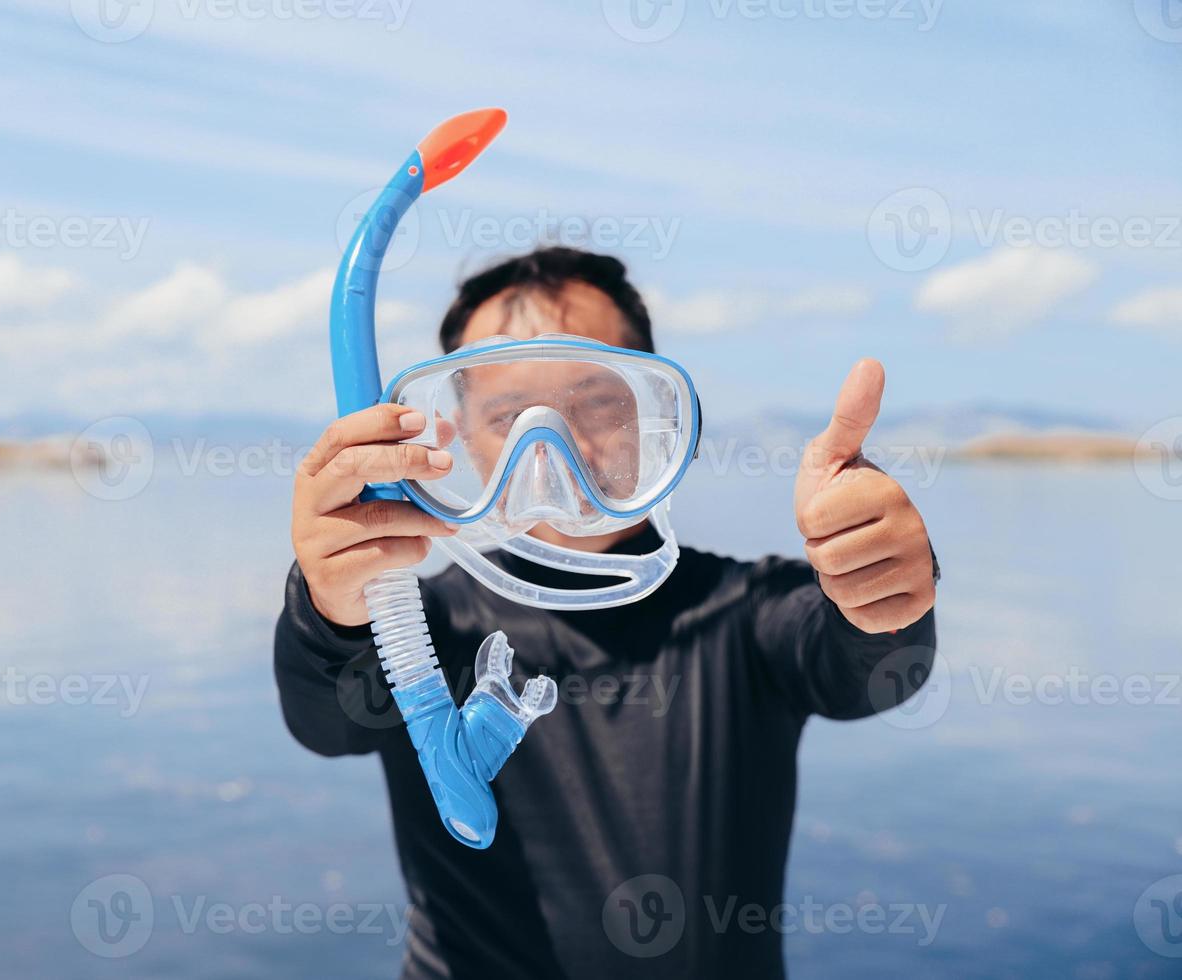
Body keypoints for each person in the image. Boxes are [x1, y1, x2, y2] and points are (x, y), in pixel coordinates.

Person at [274, 246, 938, 978]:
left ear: (657, 414)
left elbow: (866, 669)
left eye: (594, 403)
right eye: (509, 417)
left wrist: (879, 585)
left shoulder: (746, 613)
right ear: (460, 437)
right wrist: (329, 603)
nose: (559, 450)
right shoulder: (418, 631)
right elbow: (327, 722)